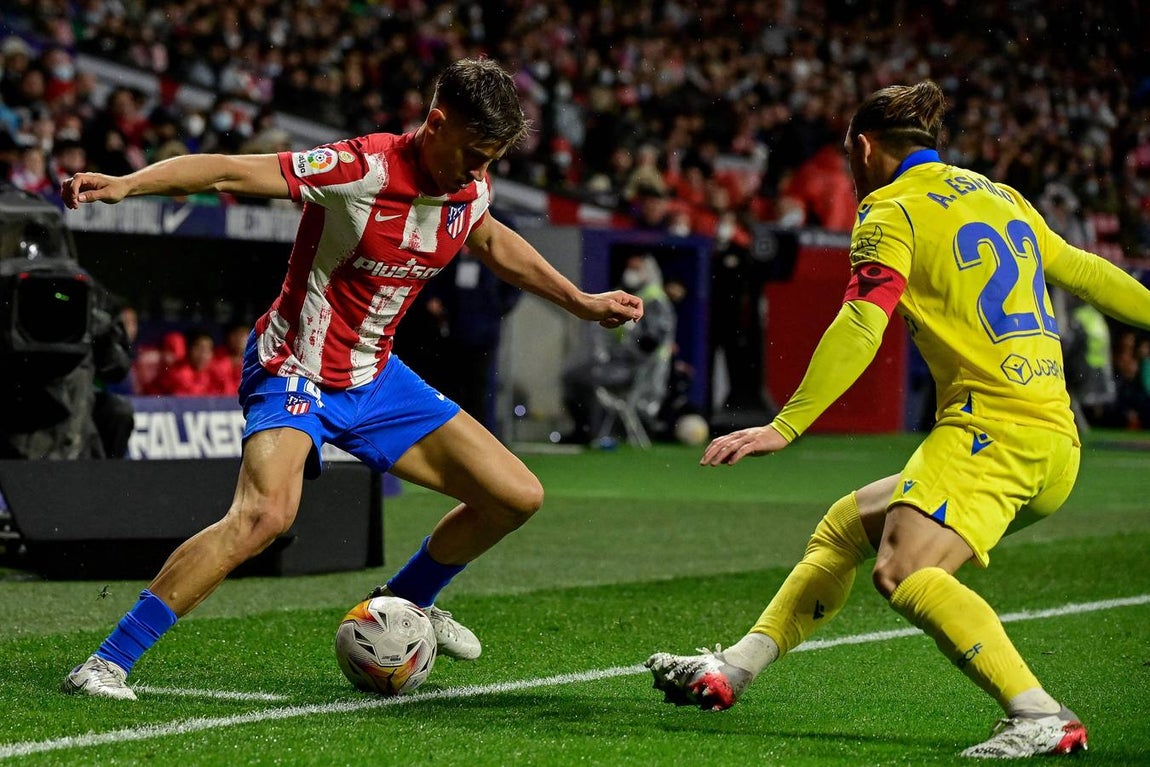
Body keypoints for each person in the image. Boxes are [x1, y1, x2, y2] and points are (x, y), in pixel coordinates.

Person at [58, 58, 643, 700]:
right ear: (436, 123)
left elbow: (494, 242)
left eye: (492, 160)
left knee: (516, 496)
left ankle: (404, 603)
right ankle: (107, 661)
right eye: (474, 154)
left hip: (375, 377)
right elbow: (227, 169)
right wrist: (125, 185)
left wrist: (580, 301)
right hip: (295, 368)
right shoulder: (359, 169)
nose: (481, 172)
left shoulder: (470, 186)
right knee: (264, 517)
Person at [645, 80, 1150, 759]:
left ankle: (1039, 712)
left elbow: (862, 321)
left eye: (852, 161)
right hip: (1053, 440)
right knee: (846, 525)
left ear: (863, 147)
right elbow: (1090, 272)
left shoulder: (891, 209)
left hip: (989, 431)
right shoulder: (999, 195)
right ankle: (732, 667)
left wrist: (785, 423)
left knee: (904, 571)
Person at [561, 253, 676, 445]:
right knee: (573, 377)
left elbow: (650, 342)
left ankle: (592, 433)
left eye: (636, 268)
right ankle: (581, 430)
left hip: (638, 368)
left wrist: (625, 351)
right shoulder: (625, 294)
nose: (630, 273)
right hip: (617, 362)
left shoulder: (654, 300)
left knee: (588, 380)